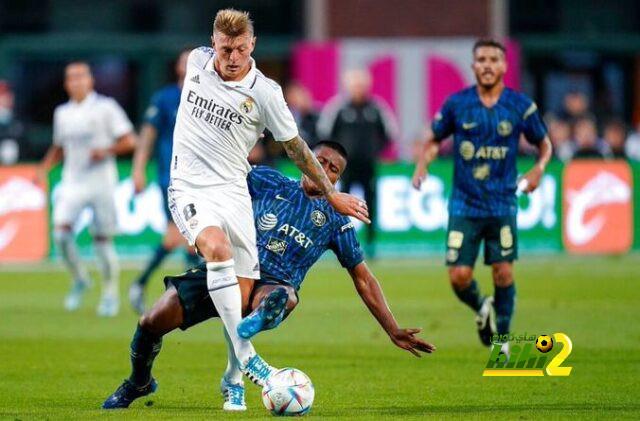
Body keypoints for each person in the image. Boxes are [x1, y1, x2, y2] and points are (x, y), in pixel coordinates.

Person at [102, 141, 435, 410]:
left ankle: (256, 320)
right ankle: (139, 382)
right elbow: (223, 185)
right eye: (319, 161)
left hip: (273, 283)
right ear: (305, 160)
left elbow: (363, 277)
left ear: (337, 180)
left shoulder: (336, 218)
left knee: (282, 297)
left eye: (333, 169)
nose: (324, 170)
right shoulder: (267, 180)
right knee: (150, 322)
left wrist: (391, 328)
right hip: (226, 270)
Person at [166, 8, 370, 399]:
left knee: (240, 301)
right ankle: (249, 360)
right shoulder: (196, 62)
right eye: (225, 48)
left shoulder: (266, 93)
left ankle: (232, 380)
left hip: (235, 191)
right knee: (217, 250)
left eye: (240, 49)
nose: (232, 58)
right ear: (213, 44)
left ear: (252, 45)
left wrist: (330, 193)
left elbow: (296, 148)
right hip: (189, 187)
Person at [412, 39, 552, 355]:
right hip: (464, 203)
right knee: (459, 276)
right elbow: (434, 139)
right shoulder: (457, 104)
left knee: (503, 271)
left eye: (493, 59)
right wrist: (424, 162)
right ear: (473, 66)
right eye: (481, 59)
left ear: (504, 66)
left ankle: (501, 341)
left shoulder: (520, 106)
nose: (487, 64)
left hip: (502, 202)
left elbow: (545, 144)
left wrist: (538, 170)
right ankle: (482, 306)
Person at [36, 62, 136, 316]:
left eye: (81, 76)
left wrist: (107, 150)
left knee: (102, 240)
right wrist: (43, 168)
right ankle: (80, 278)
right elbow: (59, 146)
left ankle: (110, 293)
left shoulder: (106, 107)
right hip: (73, 181)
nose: (77, 81)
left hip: (102, 182)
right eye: (71, 77)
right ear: (66, 83)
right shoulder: (62, 113)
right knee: (60, 233)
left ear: (90, 80)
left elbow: (129, 140)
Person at [129, 49, 200, 315]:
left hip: (200, 178)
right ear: (179, 67)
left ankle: (142, 284)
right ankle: (190, 295)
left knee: (177, 239)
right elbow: (147, 136)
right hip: (171, 178)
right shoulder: (165, 98)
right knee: (188, 238)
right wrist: (138, 169)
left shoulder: (209, 97)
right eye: (185, 59)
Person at [317, 69, 397, 258]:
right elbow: (324, 133)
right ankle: (335, 241)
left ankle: (370, 244)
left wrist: (376, 151)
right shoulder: (338, 108)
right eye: (355, 86)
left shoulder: (376, 109)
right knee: (337, 203)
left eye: (361, 85)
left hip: (368, 165)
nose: (358, 89)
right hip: (343, 168)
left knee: (371, 204)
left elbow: (389, 133)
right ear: (348, 87)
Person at [0, 80, 26, 164]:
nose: (7, 97)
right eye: (3, 95)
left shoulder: (18, 120)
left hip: (17, 166)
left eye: (8, 94)